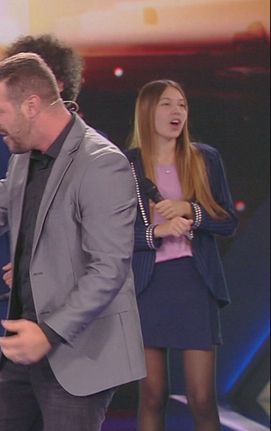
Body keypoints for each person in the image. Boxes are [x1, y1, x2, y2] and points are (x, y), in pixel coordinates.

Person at [0, 53, 145, 430]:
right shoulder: (23, 158)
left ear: (31, 105)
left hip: (79, 350)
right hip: (26, 347)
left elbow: (109, 269)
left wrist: (48, 333)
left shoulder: (101, 163)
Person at [0, 34, 84, 430]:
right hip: (4, 291)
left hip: (64, 299)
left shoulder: (91, 150)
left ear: (58, 85)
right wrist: (11, 266)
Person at [126, 80, 237, 431]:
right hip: (147, 287)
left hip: (194, 283)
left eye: (182, 105)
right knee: (152, 395)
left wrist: (191, 209)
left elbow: (227, 222)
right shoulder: (126, 165)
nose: (177, 112)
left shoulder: (204, 158)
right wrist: (155, 232)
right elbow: (111, 236)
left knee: (201, 398)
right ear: (147, 111)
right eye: (166, 104)